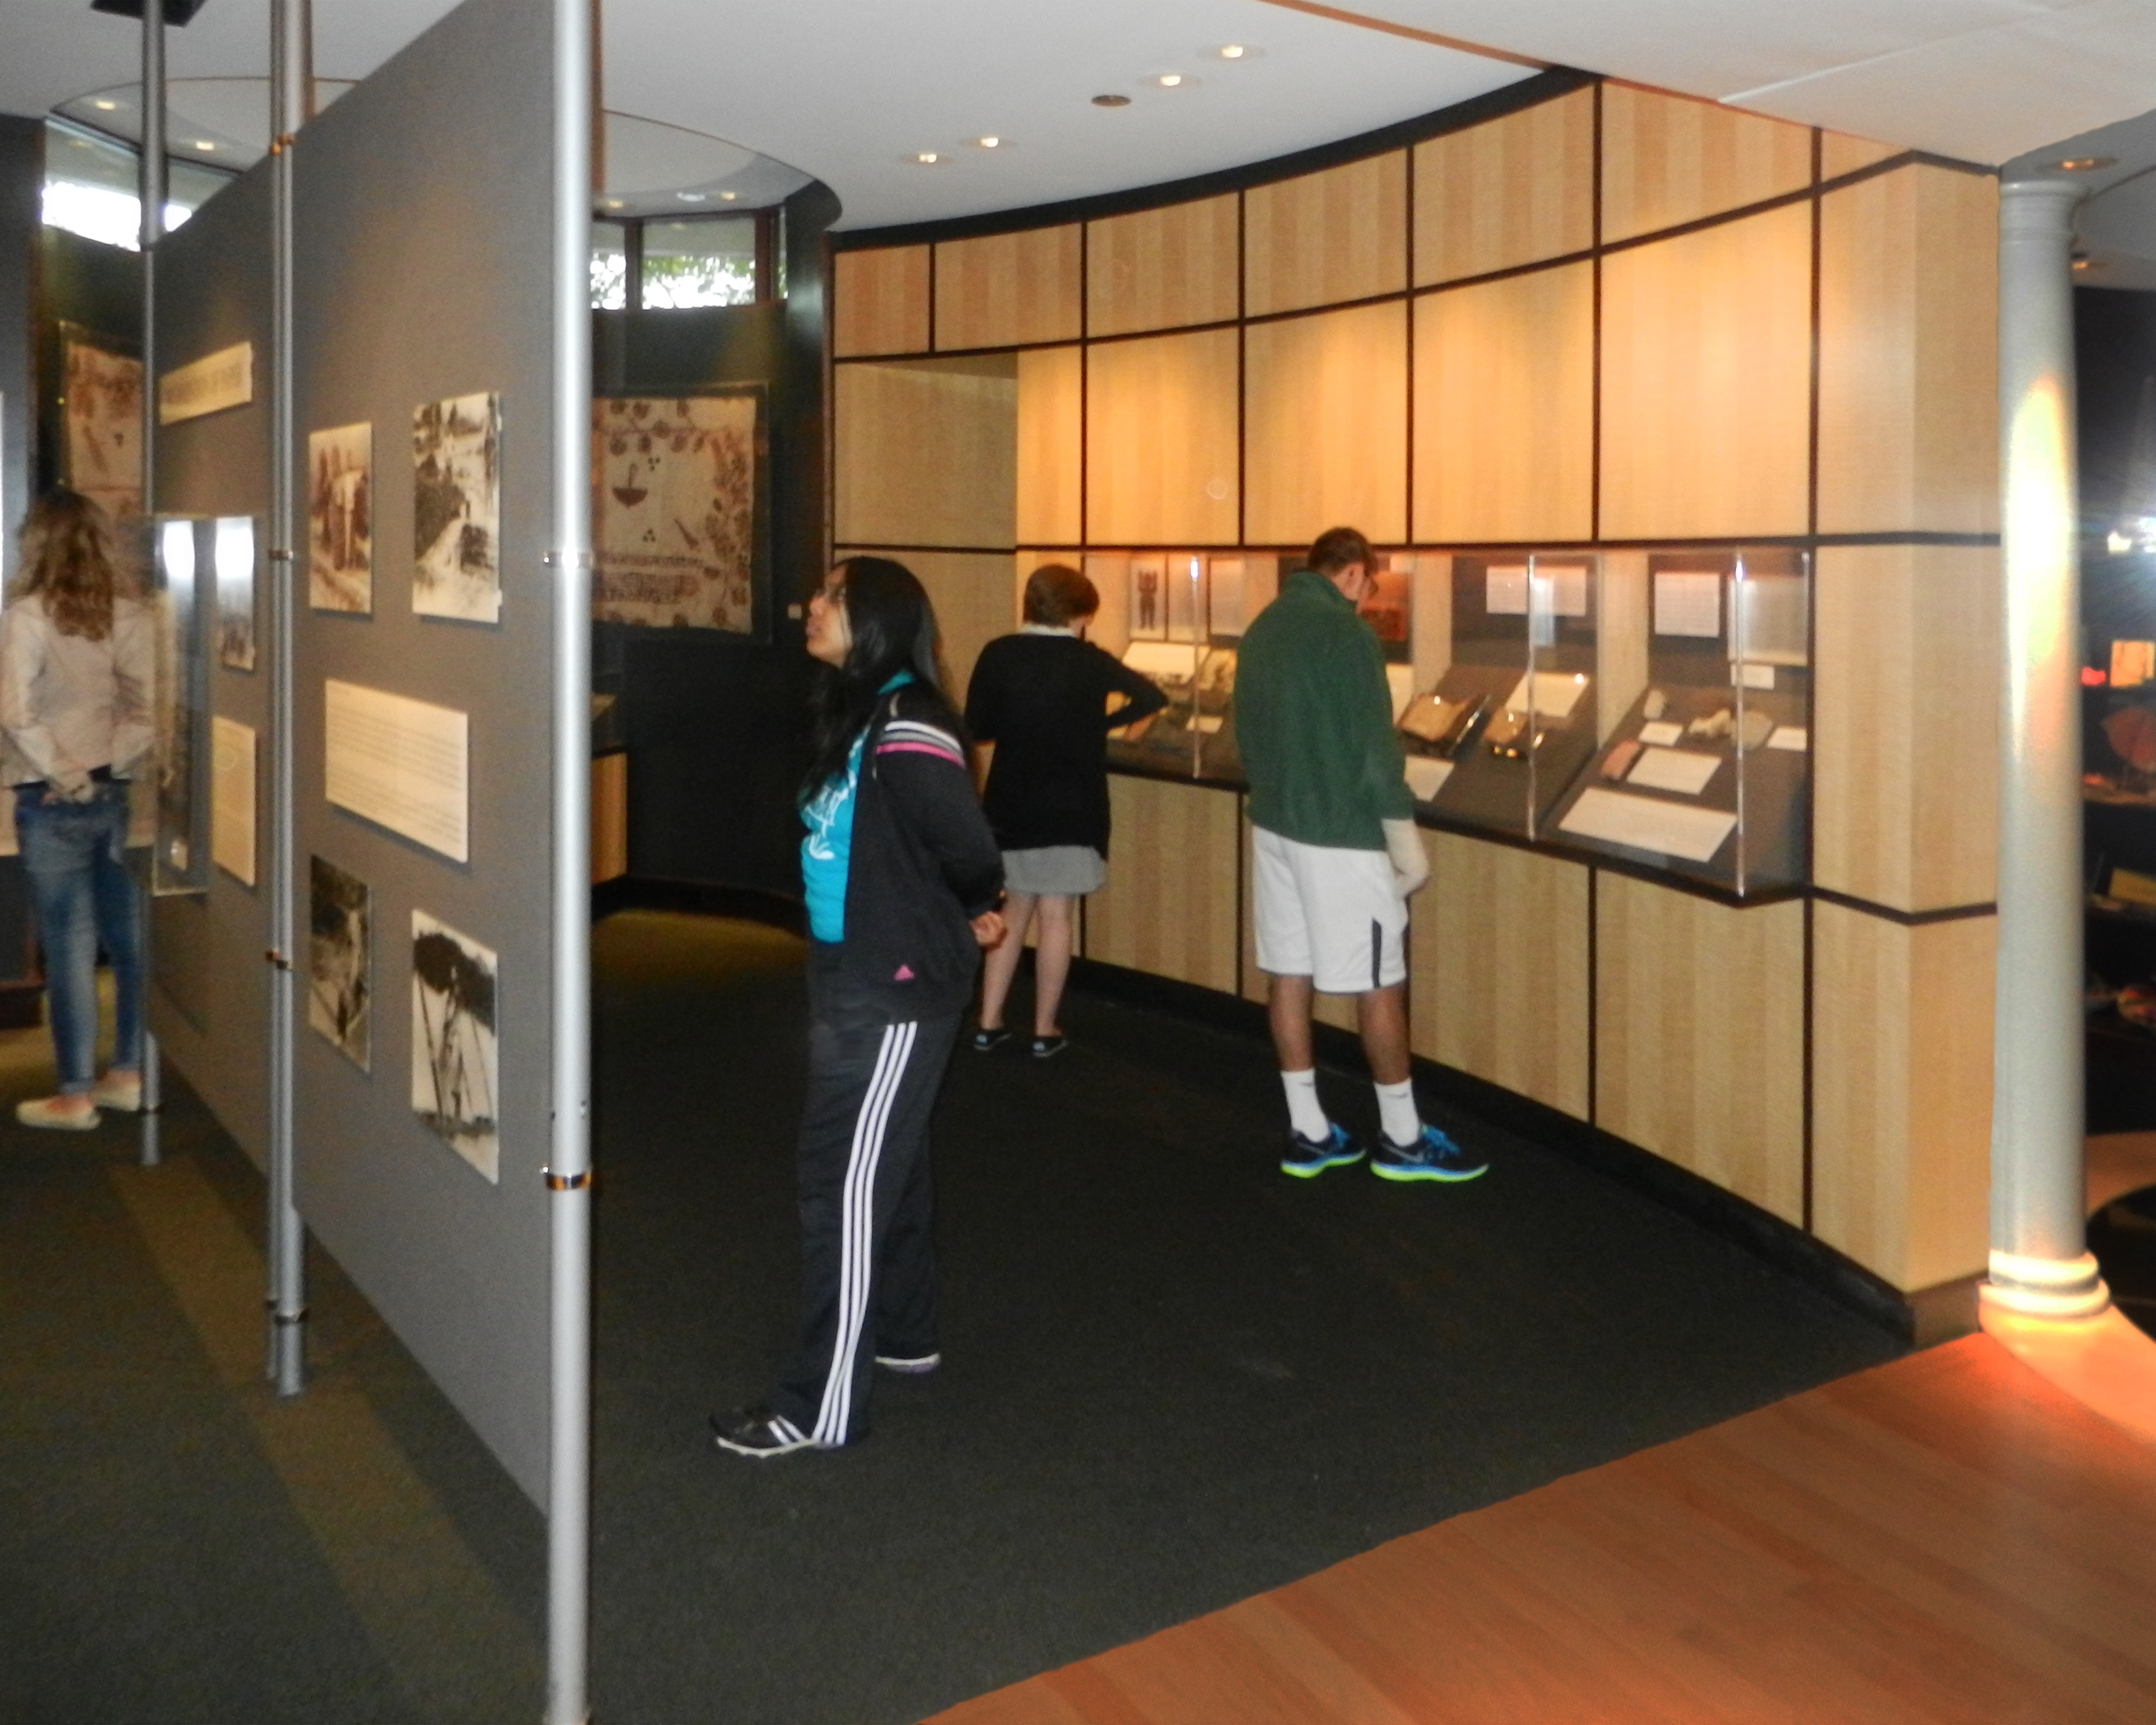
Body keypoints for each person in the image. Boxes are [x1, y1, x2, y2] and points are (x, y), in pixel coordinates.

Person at [712, 555, 1006, 1458]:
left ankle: (821, 1406)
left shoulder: (911, 718)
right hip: (860, 970)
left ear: (873, 616)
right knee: (895, 1157)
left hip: (893, 981)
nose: (812, 603)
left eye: (831, 596)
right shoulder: (867, 711)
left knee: (839, 1179)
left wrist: (972, 906)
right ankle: (906, 1335)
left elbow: (967, 841)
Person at [1233, 526, 1486, 1183]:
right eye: (1368, 584)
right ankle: (1403, 1138)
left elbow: (1248, 734)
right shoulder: (1348, 635)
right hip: (1341, 837)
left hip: (1274, 828)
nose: (1365, 596)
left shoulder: (1262, 628)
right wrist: (1406, 843)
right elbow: (1378, 752)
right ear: (1352, 573)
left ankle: (1308, 1129)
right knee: (1379, 981)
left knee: (1289, 971)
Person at [964, 562, 1167, 1057]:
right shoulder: (1089, 661)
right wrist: (1100, 724)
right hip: (1074, 805)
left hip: (1011, 804)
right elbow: (1150, 695)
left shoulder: (1001, 653)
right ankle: (1044, 1029)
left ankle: (989, 1021)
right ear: (1077, 613)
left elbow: (978, 727)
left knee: (1011, 911)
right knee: (1057, 918)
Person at [0, 488, 151, 1130]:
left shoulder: (28, 614)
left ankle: (75, 1091)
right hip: (113, 791)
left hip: (49, 794)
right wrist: (105, 769)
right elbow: (146, 706)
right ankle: (128, 1070)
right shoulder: (130, 613)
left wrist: (66, 774)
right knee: (128, 940)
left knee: (67, 946)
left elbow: (15, 711)